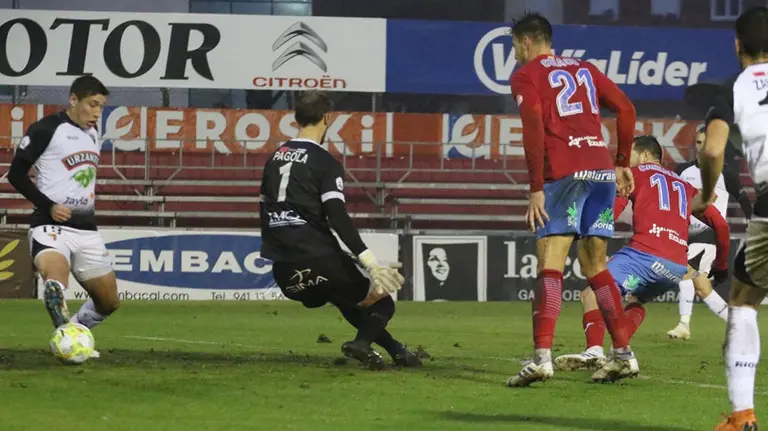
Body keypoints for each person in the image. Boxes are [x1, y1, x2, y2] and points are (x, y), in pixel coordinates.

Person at [507, 12, 638, 387]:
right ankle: (624, 355)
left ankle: (541, 359)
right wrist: (621, 161)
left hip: (564, 173)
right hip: (600, 171)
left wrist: (535, 187)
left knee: (551, 262)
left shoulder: (526, 74)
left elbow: (533, 123)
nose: (515, 52)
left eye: (515, 44)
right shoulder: (584, 68)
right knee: (596, 267)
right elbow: (626, 108)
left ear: (527, 42)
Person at [259, 91, 420, 370]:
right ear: (328, 118)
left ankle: (397, 351)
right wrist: (370, 263)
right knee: (382, 305)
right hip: (320, 261)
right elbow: (337, 216)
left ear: (296, 119)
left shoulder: (275, 158)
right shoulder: (324, 162)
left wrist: (279, 250)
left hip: (285, 273)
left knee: (348, 301)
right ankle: (360, 345)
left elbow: (264, 210)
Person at [553, 136, 731, 382]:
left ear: (645, 156)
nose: (627, 159)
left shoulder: (635, 174)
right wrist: (721, 265)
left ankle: (594, 351)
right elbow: (720, 224)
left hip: (644, 253)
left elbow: (612, 209)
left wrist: (588, 234)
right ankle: (620, 356)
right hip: (676, 267)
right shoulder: (684, 184)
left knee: (591, 293)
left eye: (631, 153)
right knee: (635, 300)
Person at [8, 76, 119, 357]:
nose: (97, 112)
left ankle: (76, 329)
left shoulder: (93, 134)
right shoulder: (47, 129)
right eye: (92, 105)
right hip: (50, 226)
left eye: (102, 107)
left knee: (108, 302)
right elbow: (16, 174)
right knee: (56, 281)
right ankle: (67, 338)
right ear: (74, 100)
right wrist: (48, 205)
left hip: (86, 231)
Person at [695, 6, 768, 430]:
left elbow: (712, 149)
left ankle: (742, 418)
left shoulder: (733, 89)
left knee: (742, 301)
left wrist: (706, 196)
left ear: (737, 45)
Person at [667, 127, 749, 340]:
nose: (702, 147)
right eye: (699, 142)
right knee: (702, 287)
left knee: (682, 271)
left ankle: (683, 324)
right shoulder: (683, 170)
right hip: (685, 233)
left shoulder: (726, 173)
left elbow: (744, 201)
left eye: (706, 143)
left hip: (710, 233)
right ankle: (738, 325)